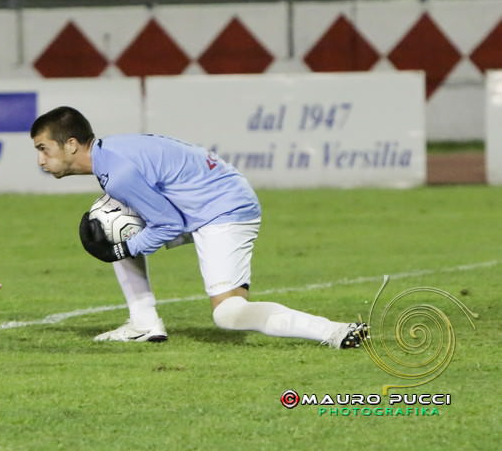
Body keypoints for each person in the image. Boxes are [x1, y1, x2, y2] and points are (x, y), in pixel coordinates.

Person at [30, 106, 367, 348]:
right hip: (214, 201)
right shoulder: (112, 152)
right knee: (112, 227)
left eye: (43, 149)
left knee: (229, 314)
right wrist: (120, 244)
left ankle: (334, 331)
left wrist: (123, 249)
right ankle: (144, 323)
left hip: (223, 211)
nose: (41, 160)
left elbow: (168, 223)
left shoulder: (117, 172)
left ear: (71, 144)